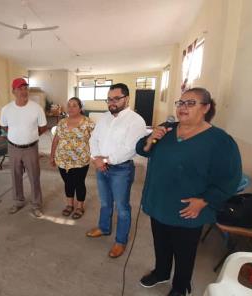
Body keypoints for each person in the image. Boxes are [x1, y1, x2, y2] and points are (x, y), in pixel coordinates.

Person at [136, 87, 242, 296]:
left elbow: (230, 179)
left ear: (206, 108)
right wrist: (149, 140)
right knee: (161, 243)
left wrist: (204, 201)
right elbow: (141, 149)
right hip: (159, 202)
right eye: (181, 103)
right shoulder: (166, 130)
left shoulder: (220, 141)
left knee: (184, 252)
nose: (183, 108)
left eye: (191, 103)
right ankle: (162, 272)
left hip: (188, 208)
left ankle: (180, 286)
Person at [86, 83, 147, 258]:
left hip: (121, 169)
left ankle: (120, 241)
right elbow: (94, 139)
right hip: (101, 167)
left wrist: (104, 160)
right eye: (109, 99)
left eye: (116, 99)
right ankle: (104, 228)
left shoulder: (136, 121)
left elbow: (130, 148)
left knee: (122, 207)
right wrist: (97, 158)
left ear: (126, 99)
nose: (112, 102)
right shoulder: (104, 117)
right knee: (105, 203)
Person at [0, 78, 48, 217]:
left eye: (25, 88)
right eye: (20, 89)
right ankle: (18, 202)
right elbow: (4, 126)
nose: (23, 91)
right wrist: (16, 135)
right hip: (13, 147)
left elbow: (43, 127)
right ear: (13, 91)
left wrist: (30, 136)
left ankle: (36, 205)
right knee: (15, 176)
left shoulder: (36, 108)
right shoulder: (6, 109)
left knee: (34, 177)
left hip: (31, 148)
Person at [50, 97, 95, 219]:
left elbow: (96, 140)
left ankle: (80, 206)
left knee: (79, 183)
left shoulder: (88, 122)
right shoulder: (62, 122)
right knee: (68, 183)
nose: (71, 108)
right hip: (62, 159)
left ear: (80, 108)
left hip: (81, 160)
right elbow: (56, 139)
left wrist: (96, 156)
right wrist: (52, 155)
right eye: (69, 105)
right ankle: (69, 204)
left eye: (74, 105)